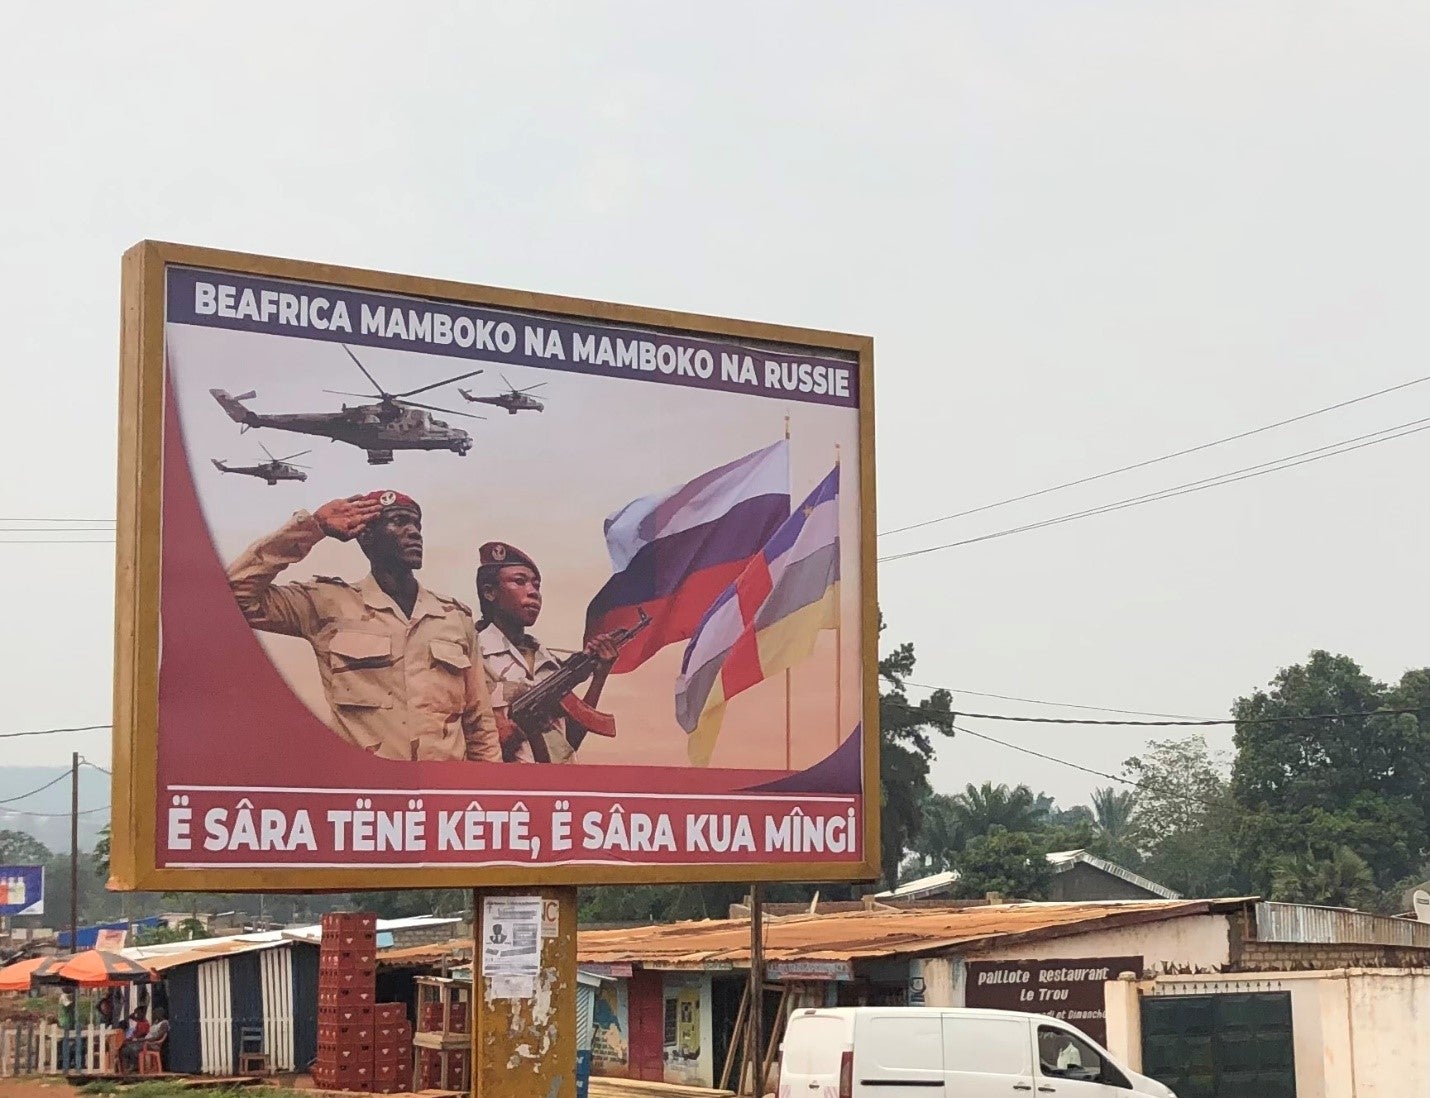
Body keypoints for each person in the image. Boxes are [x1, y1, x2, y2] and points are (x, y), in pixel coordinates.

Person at [226, 492, 500, 762]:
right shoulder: (328, 604)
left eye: (416, 524)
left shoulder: (454, 618)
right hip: (366, 785)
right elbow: (234, 596)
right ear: (366, 536)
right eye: (399, 522)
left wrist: (487, 785)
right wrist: (313, 528)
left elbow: (479, 723)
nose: (414, 532)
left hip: (441, 785)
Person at [474, 541, 620, 763]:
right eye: (519, 582)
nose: (533, 592)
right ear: (490, 592)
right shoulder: (472, 656)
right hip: (500, 781)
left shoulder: (549, 663)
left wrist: (599, 675)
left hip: (555, 782)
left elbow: (568, 743)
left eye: (536, 585)